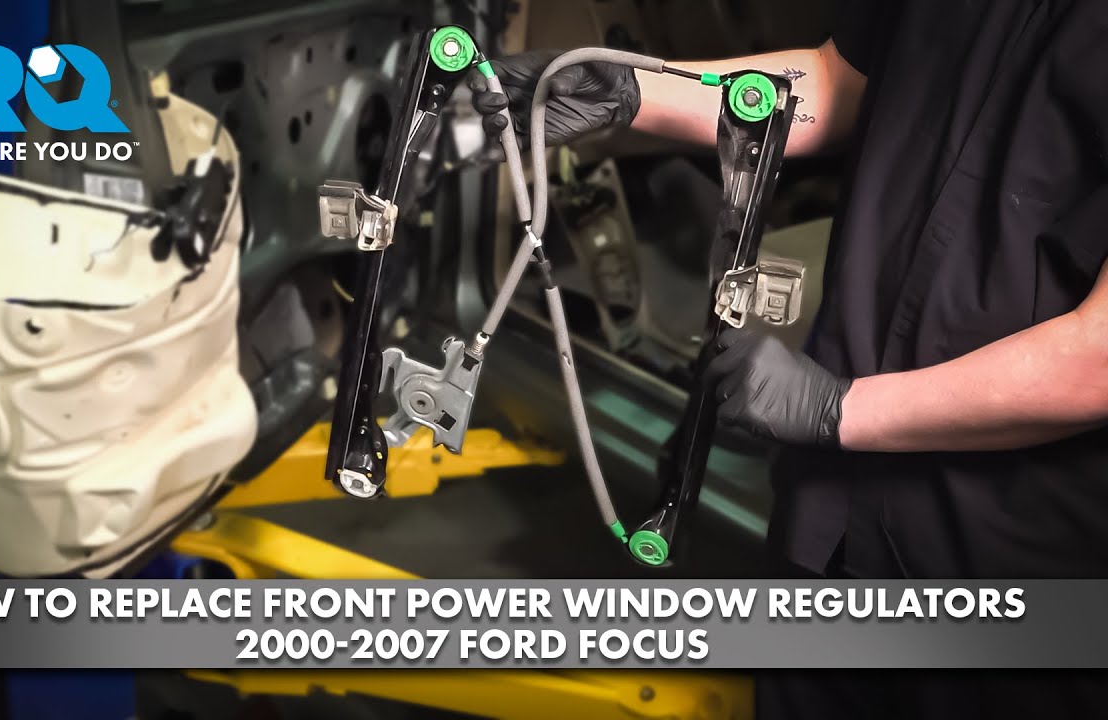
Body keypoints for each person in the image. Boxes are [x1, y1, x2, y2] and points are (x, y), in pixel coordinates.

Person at [471, 0, 1108, 716]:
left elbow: (1099, 355)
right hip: (830, 519)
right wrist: (631, 89)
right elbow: (837, 84)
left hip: (1012, 559)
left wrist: (836, 409)